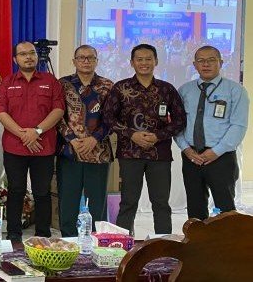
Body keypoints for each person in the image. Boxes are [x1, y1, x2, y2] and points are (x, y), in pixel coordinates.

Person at [103, 43, 186, 236]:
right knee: (128, 202)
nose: (144, 63)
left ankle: (163, 243)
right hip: (129, 154)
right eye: (139, 59)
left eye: (148, 59)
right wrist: (131, 134)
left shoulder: (167, 89)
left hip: (160, 154)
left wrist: (158, 136)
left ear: (156, 61)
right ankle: (122, 244)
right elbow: (108, 117)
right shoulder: (121, 88)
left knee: (161, 203)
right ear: (132, 63)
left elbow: (180, 120)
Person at [0, 41, 65, 242]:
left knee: (42, 192)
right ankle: (14, 234)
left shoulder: (50, 81)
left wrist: (37, 131)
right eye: (23, 54)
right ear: (15, 59)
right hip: (15, 147)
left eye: (32, 53)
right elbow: (0, 111)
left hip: (43, 146)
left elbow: (58, 109)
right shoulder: (7, 82)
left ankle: (43, 234)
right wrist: (24, 135)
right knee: (16, 190)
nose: (28, 57)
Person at [176, 45, 248, 220]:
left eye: (211, 60)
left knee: (225, 209)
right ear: (194, 65)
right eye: (201, 60)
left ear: (221, 63)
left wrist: (215, 151)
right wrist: (186, 149)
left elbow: (238, 126)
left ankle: (226, 238)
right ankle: (198, 238)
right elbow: (177, 125)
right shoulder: (184, 90)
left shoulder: (235, 90)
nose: (206, 64)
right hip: (191, 156)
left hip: (221, 157)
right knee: (195, 207)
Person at [56, 45, 114, 237]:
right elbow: (57, 116)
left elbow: (112, 118)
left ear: (97, 61)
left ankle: (96, 242)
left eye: (90, 57)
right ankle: (68, 241)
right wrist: (72, 139)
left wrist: (94, 139)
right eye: (81, 57)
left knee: (97, 203)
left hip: (98, 152)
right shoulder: (63, 85)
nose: (86, 61)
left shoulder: (107, 86)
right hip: (69, 152)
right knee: (68, 201)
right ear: (74, 61)